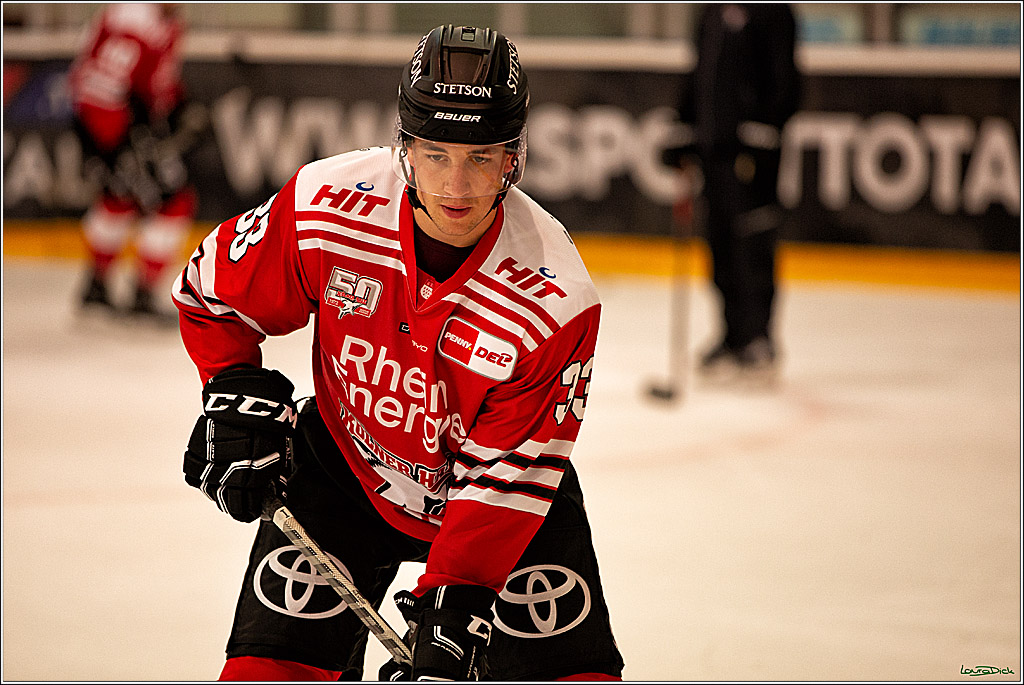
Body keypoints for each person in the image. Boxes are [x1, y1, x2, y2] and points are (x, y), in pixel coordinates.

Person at [174, 24, 625, 681]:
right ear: (404, 146)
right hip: (342, 473)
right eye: (436, 154)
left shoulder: (553, 298)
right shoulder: (327, 208)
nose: (457, 184)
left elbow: (505, 481)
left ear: (514, 157)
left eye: (481, 155)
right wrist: (233, 388)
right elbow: (211, 293)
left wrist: (456, 604)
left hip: (504, 506)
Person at [668, 3, 801, 378]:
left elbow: (786, 81)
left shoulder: (772, 11)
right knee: (721, 244)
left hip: (752, 158)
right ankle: (731, 335)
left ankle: (757, 338)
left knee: (752, 245)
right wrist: (684, 130)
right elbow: (698, 75)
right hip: (714, 154)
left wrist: (762, 136)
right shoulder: (712, 11)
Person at [69, 3, 198, 319]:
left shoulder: (118, 13)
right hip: (119, 122)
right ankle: (142, 292)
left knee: (118, 198)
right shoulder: (151, 23)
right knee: (175, 202)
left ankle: (96, 285)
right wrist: (122, 138)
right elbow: (134, 85)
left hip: (95, 121)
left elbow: (86, 66)